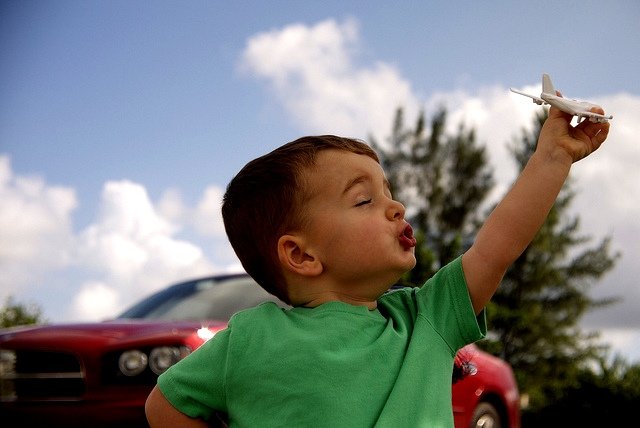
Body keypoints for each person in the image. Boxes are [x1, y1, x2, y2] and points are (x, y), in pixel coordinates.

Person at [145, 104, 610, 427]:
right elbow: (164, 405)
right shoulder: (248, 339)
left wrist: (553, 156)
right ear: (302, 255)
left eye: (388, 192)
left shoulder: (427, 318)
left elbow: (497, 246)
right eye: (365, 199)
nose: (396, 207)